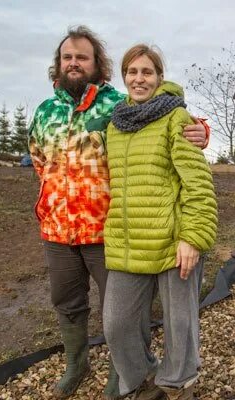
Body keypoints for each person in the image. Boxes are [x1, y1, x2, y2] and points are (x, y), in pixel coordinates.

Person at [28, 26, 209, 399]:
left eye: (82, 57)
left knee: (151, 317)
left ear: (98, 65)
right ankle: (82, 365)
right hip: (70, 230)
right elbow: (38, 160)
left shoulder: (116, 105)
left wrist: (201, 130)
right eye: (67, 57)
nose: (74, 63)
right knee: (86, 309)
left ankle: (151, 381)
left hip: (107, 229)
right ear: (58, 64)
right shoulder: (49, 112)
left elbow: (176, 130)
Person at [102, 44, 217, 400]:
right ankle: (143, 379)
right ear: (124, 77)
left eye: (146, 72)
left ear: (159, 77)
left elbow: (197, 183)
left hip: (173, 241)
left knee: (179, 324)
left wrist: (192, 238)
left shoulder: (176, 119)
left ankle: (179, 384)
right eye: (132, 72)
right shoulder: (115, 125)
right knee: (117, 324)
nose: (139, 78)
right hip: (129, 240)